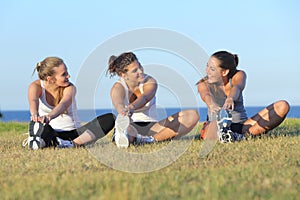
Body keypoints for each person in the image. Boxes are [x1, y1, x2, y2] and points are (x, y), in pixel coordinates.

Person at [107, 52, 199, 147]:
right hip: (131, 125)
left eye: (140, 66)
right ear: (124, 75)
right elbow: (118, 103)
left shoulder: (150, 81)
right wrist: (124, 112)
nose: (140, 71)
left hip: (153, 127)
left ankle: (149, 140)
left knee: (192, 115)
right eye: (135, 71)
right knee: (129, 131)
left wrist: (131, 107)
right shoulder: (118, 87)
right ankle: (124, 135)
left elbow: (145, 97)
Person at [197, 50, 290, 141]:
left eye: (212, 69)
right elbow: (206, 95)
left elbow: (237, 87)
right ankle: (225, 134)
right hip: (216, 125)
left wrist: (230, 98)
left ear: (224, 72)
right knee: (211, 129)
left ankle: (240, 136)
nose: (207, 71)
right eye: (207, 66)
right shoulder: (204, 83)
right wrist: (211, 104)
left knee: (283, 106)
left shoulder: (238, 75)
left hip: (242, 126)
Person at [26, 56, 115, 150]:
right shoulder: (35, 86)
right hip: (53, 132)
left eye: (67, 72)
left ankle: (71, 144)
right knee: (45, 129)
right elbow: (33, 101)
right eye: (64, 74)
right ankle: (39, 141)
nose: (68, 76)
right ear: (50, 79)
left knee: (109, 118)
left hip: (76, 134)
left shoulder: (70, 88)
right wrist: (34, 115)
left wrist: (49, 116)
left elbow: (63, 104)